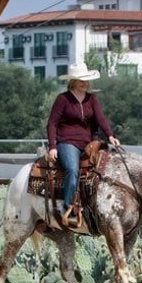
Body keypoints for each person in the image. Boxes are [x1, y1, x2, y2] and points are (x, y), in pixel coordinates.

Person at [47, 62, 121, 227]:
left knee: (105, 169)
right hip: (67, 142)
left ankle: (97, 207)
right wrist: (53, 146)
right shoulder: (63, 99)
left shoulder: (92, 99)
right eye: (81, 81)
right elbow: (52, 123)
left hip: (89, 142)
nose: (85, 83)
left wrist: (110, 135)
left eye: (86, 80)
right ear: (73, 82)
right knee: (72, 170)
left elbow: (101, 119)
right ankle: (68, 207)